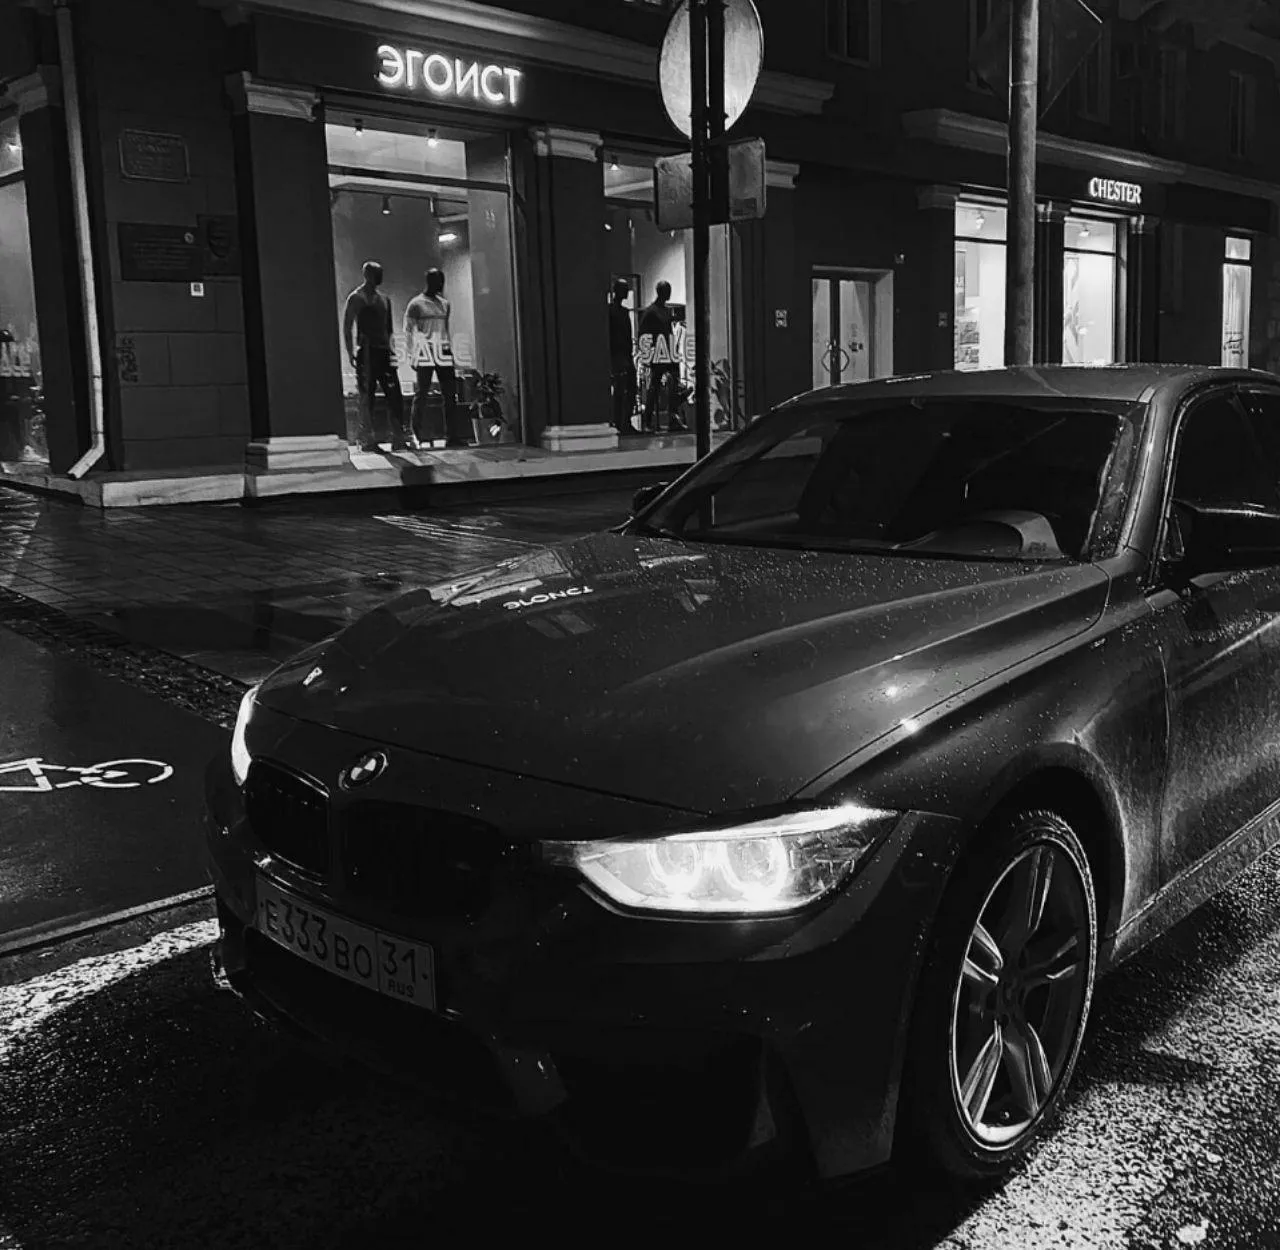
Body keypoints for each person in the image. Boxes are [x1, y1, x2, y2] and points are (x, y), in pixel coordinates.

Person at [342, 260, 412, 452]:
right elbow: (347, 327)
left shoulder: (384, 299)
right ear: (367, 275)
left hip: (383, 352)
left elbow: (389, 330)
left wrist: (393, 353)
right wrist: (350, 352)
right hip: (366, 351)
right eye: (376, 274)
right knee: (367, 397)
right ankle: (367, 439)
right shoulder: (357, 298)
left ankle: (398, 436)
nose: (380, 277)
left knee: (394, 395)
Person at [404, 268, 462, 447]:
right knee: (422, 393)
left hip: (443, 349)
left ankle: (452, 435)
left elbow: (446, 329)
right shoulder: (416, 304)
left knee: (449, 394)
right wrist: (411, 354)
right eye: (438, 281)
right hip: (425, 349)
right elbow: (408, 330)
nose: (441, 285)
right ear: (430, 281)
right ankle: (416, 434)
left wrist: (450, 351)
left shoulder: (445, 304)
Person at [640, 280, 683, 433]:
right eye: (667, 290)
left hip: (669, 352)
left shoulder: (666, 310)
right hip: (658, 352)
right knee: (654, 386)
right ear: (661, 292)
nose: (670, 293)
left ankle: (673, 418)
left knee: (675, 384)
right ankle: (647, 420)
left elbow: (668, 331)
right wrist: (648, 353)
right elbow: (643, 333)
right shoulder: (651, 311)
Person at [609, 279, 636, 436]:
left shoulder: (624, 312)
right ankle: (619, 421)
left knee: (631, 388)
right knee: (620, 390)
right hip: (617, 356)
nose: (626, 292)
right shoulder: (611, 311)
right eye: (623, 289)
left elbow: (627, 335)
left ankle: (625, 421)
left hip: (626, 355)